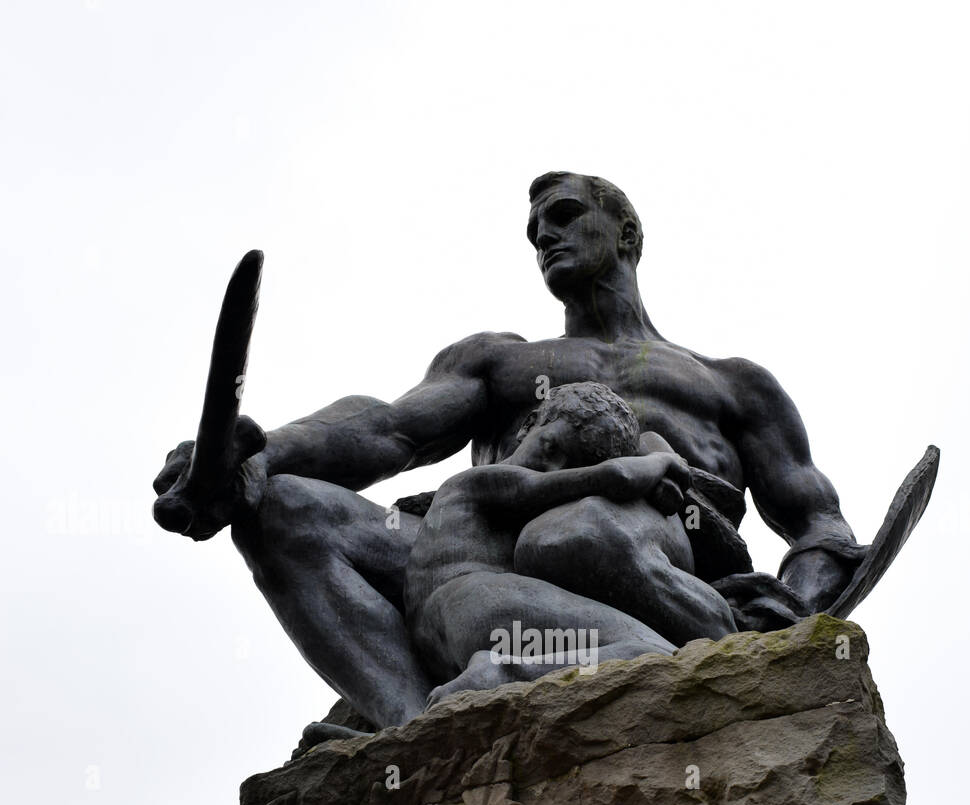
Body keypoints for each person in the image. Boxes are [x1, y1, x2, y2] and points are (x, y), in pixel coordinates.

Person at [153, 171, 864, 731]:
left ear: (626, 230)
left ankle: (561, 676)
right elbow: (386, 431)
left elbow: (820, 530)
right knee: (280, 509)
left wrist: (792, 619)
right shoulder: (502, 362)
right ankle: (424, 733)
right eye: (532, 231)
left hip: (651, 573)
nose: (543, 238)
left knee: (579, 536)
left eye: (562, 216)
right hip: (483, 559)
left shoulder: (732, 385)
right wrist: (259, 455)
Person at [405, 380, 740, 703]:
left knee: (649, 652)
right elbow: (617, 477)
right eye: (551, 446)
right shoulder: (484, 480)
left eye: (571, 464)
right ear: (529, 425)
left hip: (446, 635)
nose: (552, 468)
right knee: (655, 653)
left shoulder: (495, 504)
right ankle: (505, 672)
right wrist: (665, 460)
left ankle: (508, 670)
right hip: (476, 605)